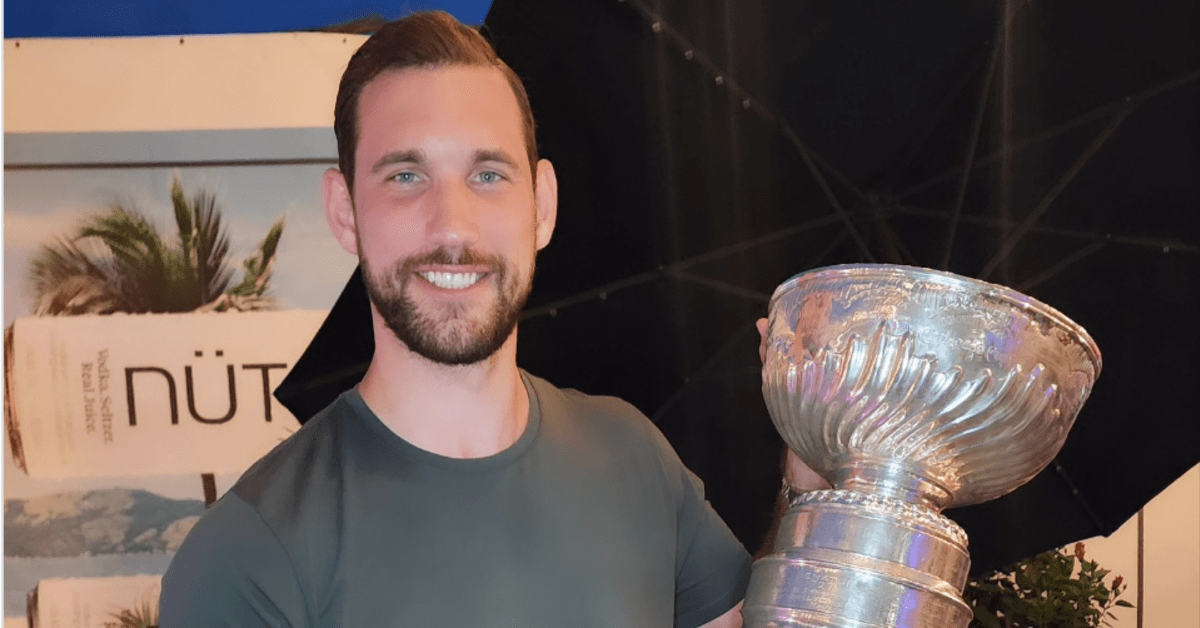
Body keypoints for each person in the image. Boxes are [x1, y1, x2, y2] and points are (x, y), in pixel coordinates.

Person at [159, 11, 821, 626]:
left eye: (488, 175)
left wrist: (811, 473)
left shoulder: (631, 455)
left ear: (542, 205)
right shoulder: (248, 556)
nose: (453, 225)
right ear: (343, 211)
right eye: (406, 176)